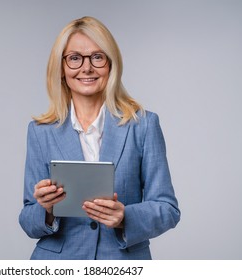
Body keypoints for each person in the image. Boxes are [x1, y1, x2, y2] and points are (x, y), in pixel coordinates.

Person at [19, 16, 180, 260]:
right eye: (74, 58)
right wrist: (47, 209)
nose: (86, 68)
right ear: (61, 69)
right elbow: (28, 219)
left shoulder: (143, 125)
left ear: (111, 65)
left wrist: (125, 218)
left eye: (97, 57)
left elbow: (168, 209)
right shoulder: (41, 131)